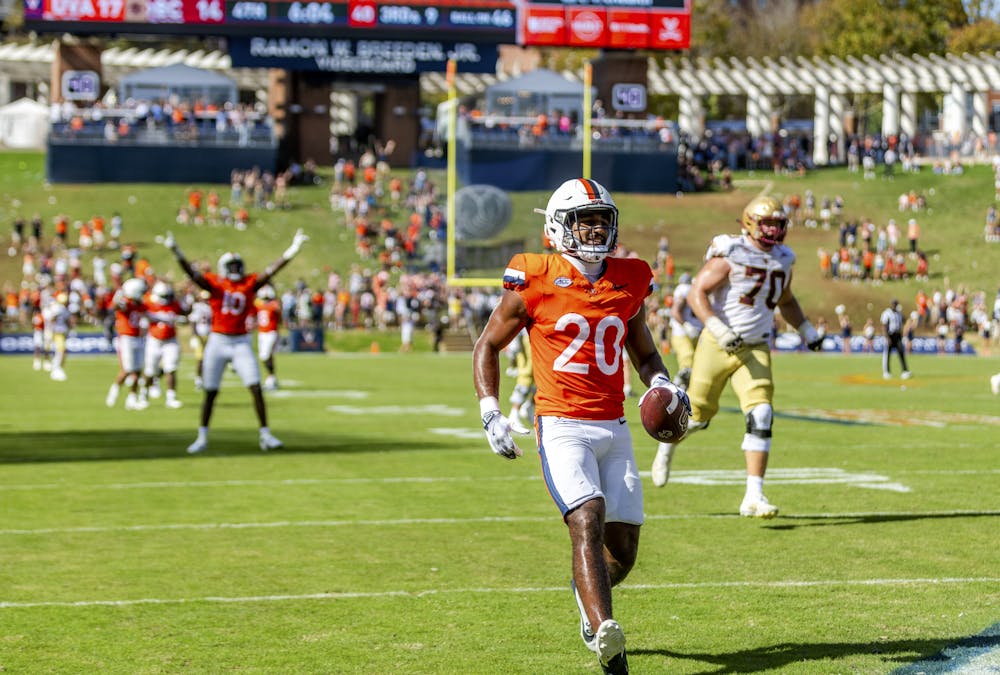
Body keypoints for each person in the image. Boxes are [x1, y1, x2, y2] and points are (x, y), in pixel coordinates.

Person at [472, 178, 688, 675]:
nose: (595, 229)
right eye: (583, 220)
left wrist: (662, 386)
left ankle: (586, 593)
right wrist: (490, 410)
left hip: (614, 425)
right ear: (557, 227)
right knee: (585, 517)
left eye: (602, 219)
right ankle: (606, 635)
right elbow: (487, 344)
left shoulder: (630, 277)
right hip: (562, 423)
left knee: (624, 550)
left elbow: (645, 351)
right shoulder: (536, 275)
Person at [650, 195, 823, 518]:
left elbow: (786, 300)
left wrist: (808, 330)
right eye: (767, 222)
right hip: (718, 344)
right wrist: (718, 328)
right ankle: (668, 445)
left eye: (777, 223)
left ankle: (753, 496)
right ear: (749, 223)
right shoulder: (731, 252)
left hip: (755, 346)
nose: (773, 229)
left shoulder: (784, 258)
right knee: (697, 418)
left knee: (761, 415)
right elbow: (697, 292)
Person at [164, 228, 308, 453]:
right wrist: (177, 252)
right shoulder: (216, 285)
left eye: (236, 265)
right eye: (230, 266)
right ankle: (202, 436)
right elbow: (194, 275)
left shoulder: (249, 284)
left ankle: (265, 435)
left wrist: (292, 249)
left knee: (256, 388)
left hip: (241, 342)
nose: (234, 269)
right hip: (218, 341)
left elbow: (272, 270)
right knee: (210, 392)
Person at [105, 277, 149, 411]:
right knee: (127, 370)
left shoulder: (140, 305)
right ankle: (114, 390)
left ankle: (132, 399)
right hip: (126, 339)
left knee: (137, 371)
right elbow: (116, 306)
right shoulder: (126, 303)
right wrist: (119, 295)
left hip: (138, 339)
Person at [144, 280, 187, 408]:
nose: (167, 299)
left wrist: (182, 318)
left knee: (171, 368)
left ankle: (171, 397)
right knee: (150, 370)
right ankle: (143, 395)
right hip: (154, 339)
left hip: (170, 339)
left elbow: (185, 313)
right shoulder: (149, 303)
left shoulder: (174, 304)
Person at [668, 272, 703, 390]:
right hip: (682, 333)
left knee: (695, 367)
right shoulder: (686, 289)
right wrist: (687, 326)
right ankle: (674, 388)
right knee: (688, 363)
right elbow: (675, 311)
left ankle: (682, 393)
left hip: (694, 334)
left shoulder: (693, 289)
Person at [503, 327, 535, 434]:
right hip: (525, 336)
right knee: (526, 374)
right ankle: (514, 413)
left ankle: (529, 407)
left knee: (542, 377)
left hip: (538, 336)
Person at [255, 284, 282, 391]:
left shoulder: (274, 305)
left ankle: (271, 378)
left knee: (265, 356)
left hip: (271, 332)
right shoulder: (259, 304)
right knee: (267, 356)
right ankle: (272, 379)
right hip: (262, 333)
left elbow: (279, 313)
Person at [879, 299, 911, 379]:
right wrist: (887, 337)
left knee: (901, 352)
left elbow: (905, 321)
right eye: (894, 304)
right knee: (887, 354)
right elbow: (884, 325)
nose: (895, 306)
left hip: (898, 335)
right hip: (890, 335)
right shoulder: (887, 313)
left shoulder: (899, 313)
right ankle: (886, 372)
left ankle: (905, 371)